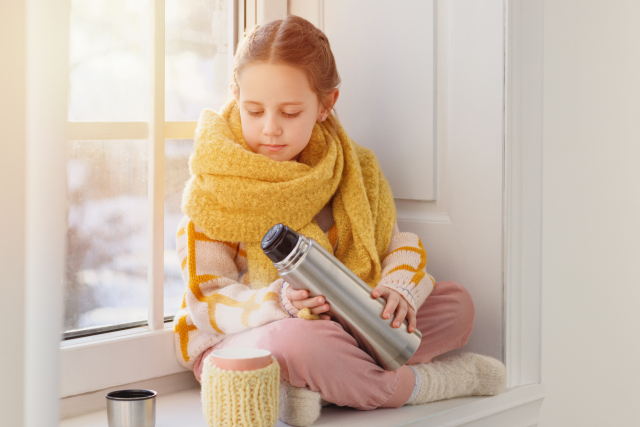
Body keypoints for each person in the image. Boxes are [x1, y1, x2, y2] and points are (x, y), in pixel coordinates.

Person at [173, 14, 506, 426]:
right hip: (247, 342)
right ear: (236, 95)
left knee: (456, 304)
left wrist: (396, 290)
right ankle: (427, 383)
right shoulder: (217, 184)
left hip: (344, 326)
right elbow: (207, 301)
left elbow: (397, 245)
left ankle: (317, 388)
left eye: (291, 112)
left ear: (326, 104)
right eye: (253, 110)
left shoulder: (355, 169)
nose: (270, 129)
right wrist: (276, 302)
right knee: (302, 341)